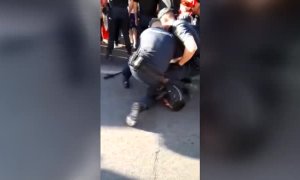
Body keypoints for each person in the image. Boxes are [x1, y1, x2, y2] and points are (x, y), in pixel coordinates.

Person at [126, 19, 183, 127]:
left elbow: (138, 50)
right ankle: (140, 105)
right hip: (154, 76)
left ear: (150, 26)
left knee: (135, 57)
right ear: (161, 26)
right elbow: (175, 59)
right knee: (153, 92)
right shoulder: (170, 37)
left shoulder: (145, 33)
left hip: (135, 68)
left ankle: (125, 78)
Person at [158, 8, 200, 81]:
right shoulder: (180, 23)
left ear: (164, 20)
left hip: (197, 61)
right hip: (197, 57)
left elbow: (192, 48)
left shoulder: (178, 27)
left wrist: (180, 63)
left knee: (166, 75)